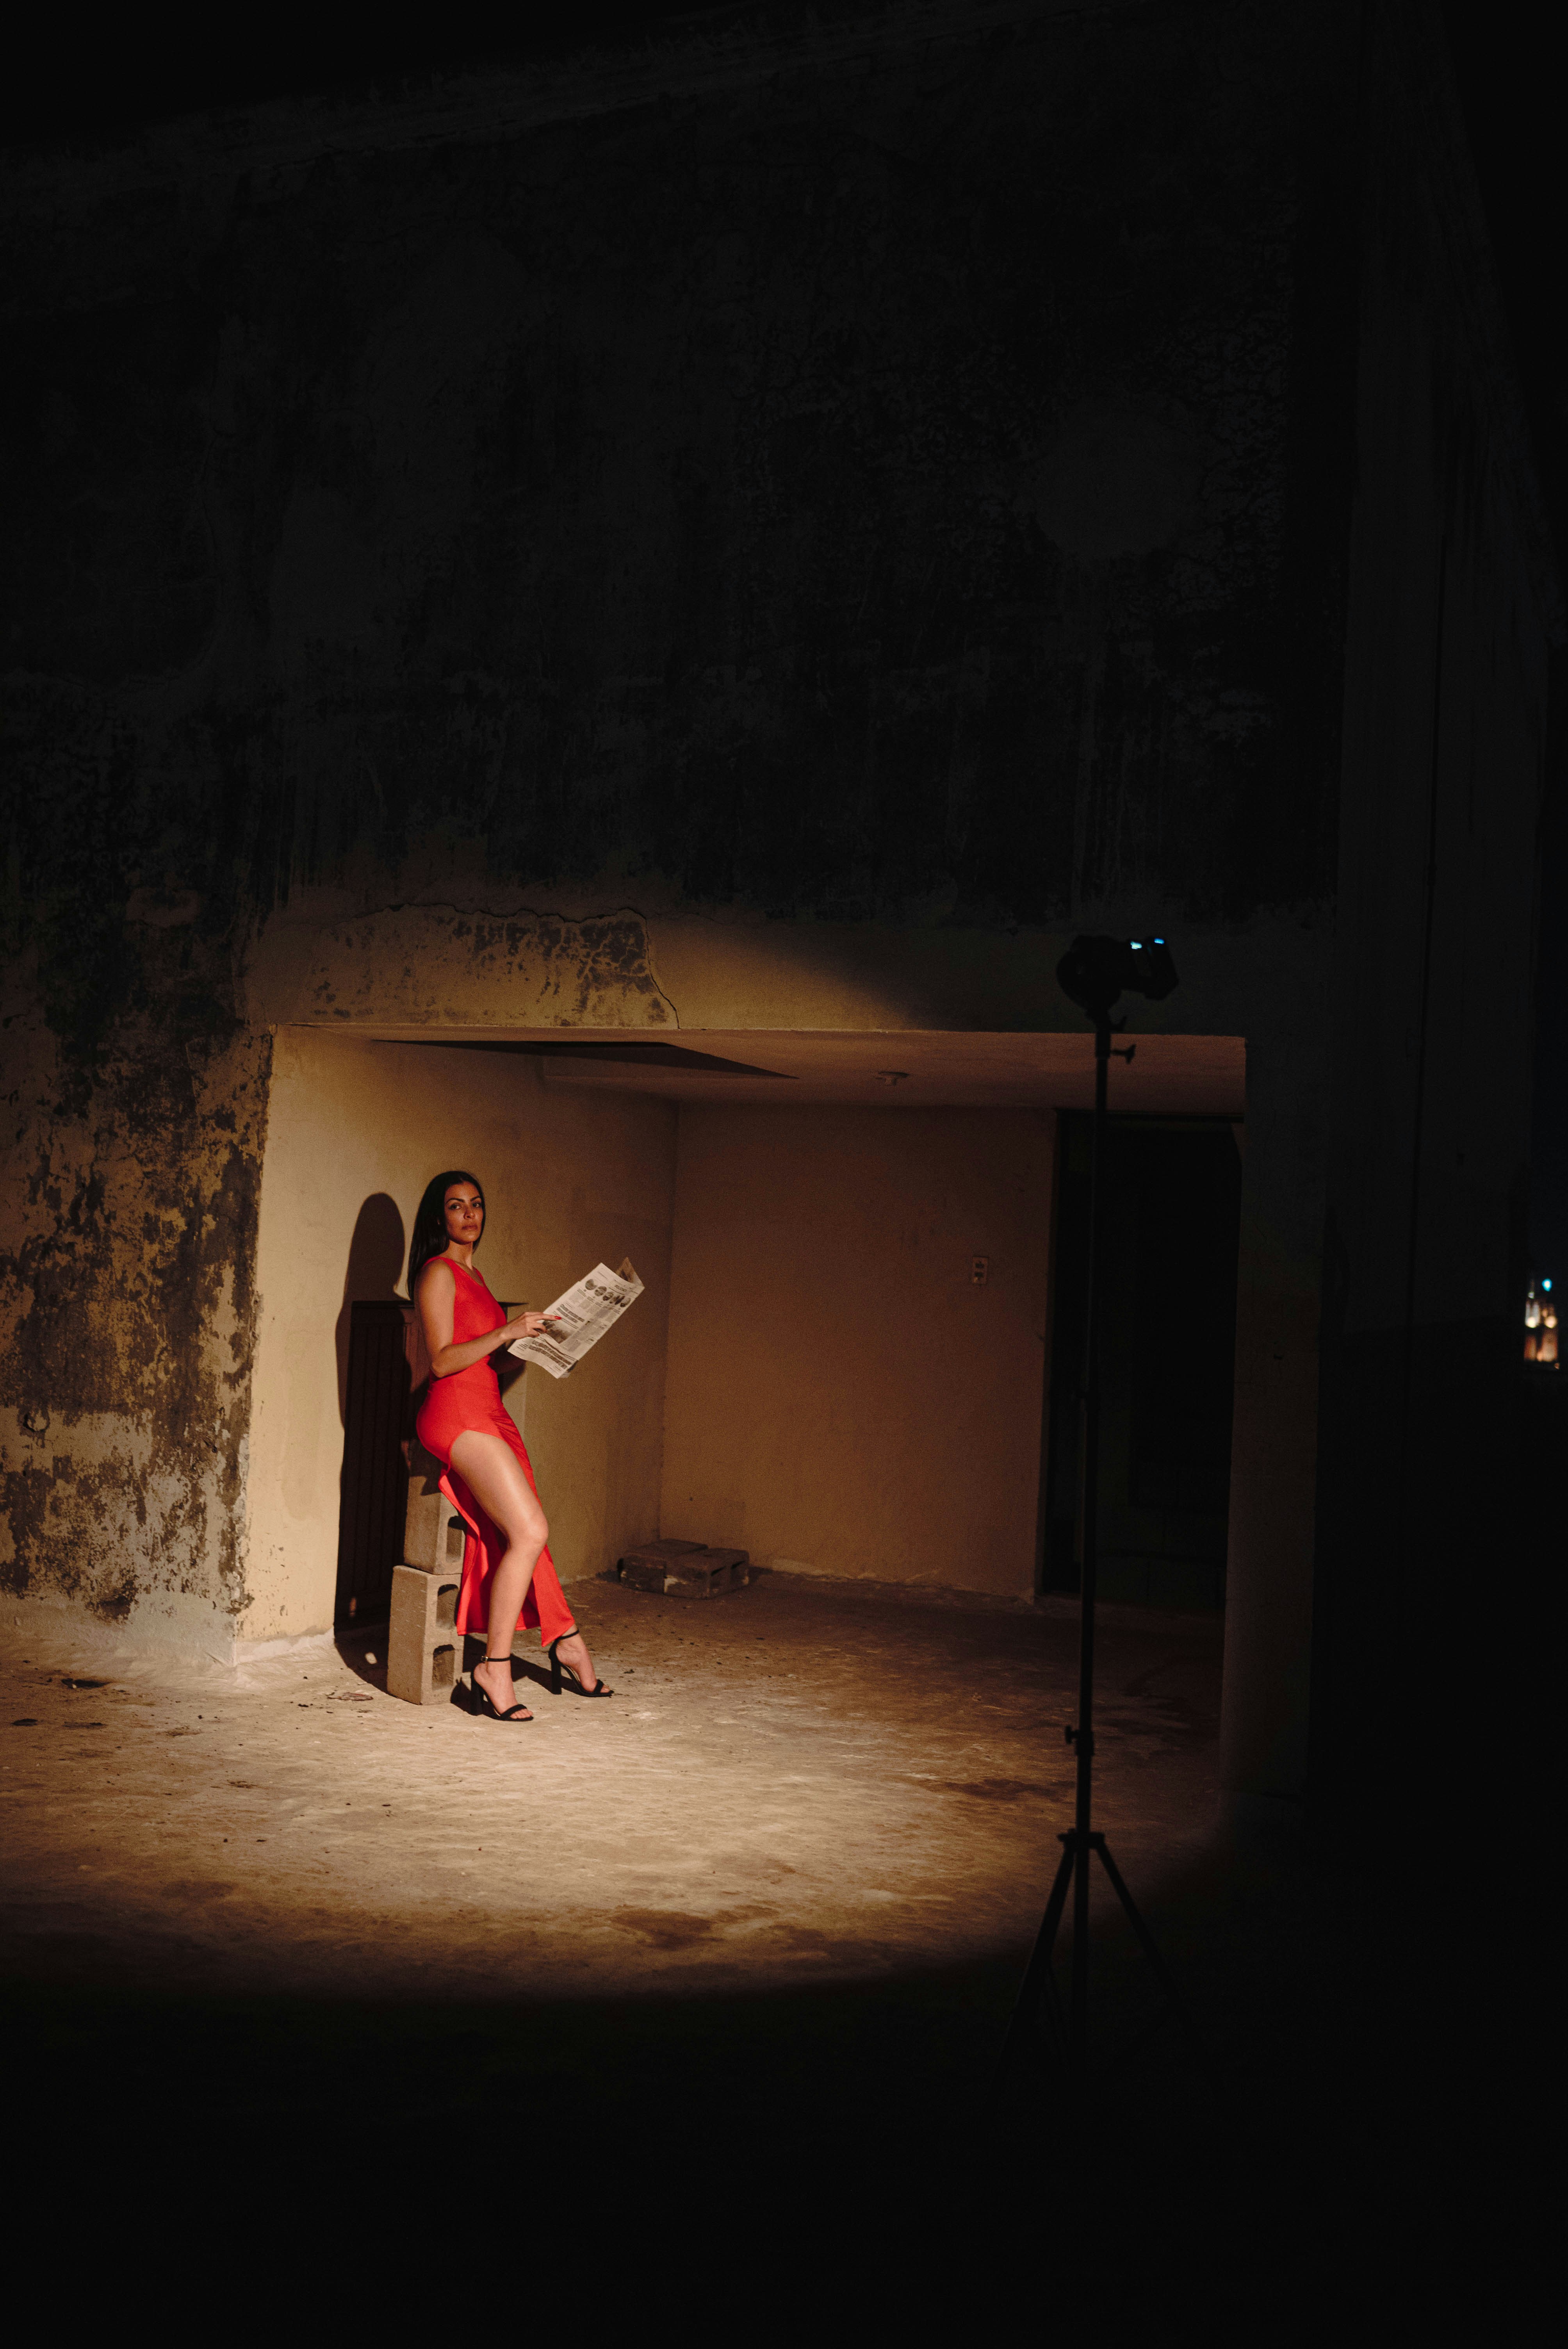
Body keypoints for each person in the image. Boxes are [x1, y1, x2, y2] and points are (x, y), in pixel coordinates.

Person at [411, 1169, 611, 1722]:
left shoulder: (475, 1277)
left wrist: (540, 1346)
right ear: (438, 1218)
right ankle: (495, 1667)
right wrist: (505, 1331)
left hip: (488, 1409)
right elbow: (442, 1362)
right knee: (529, 1531)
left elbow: (485, 1362)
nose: (469, 1215)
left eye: (476, 1204)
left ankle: (566, 1638)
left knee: (528, 1526)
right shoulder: (437, 1273)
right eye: (457, 1206)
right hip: (456, 1413)